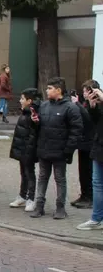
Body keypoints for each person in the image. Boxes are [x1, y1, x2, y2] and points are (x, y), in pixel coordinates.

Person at [29, 77, 83, 219]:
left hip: (60, 151)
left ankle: (60, 208)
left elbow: (76, 131)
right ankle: (39, 206)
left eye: (50, 88)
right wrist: (35, 122)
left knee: (60, 179)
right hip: (44, 149)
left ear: (58, 90)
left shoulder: (70, 108)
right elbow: (38, 127)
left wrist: (68, 150)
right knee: (42, 177)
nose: (47, 91)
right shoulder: (44, 106)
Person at [8, 88, 41, 211]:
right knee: (24, 173)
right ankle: (22, 196)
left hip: (29, 149)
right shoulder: (25, 112)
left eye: (22, 98)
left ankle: (31, 199)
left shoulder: (33, 113)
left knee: (29, 173)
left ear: (29, 100)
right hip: (22, 148)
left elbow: (35, 129)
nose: (20, 101)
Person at [76, 82, 103, 229]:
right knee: (97, 185)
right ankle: (96, 218)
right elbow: (96, 121)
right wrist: (93, 106)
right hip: (99, 146)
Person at [70, 82, 96, 209]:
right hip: (82, 142)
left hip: (90, 143)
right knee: (82, 171)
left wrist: (77, 104)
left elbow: (87, 118)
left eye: (85, 91)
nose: (84, 93)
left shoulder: (94, 104)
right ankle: (84, 195)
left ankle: (90, 197)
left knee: (88, 171)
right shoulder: (85, 103)